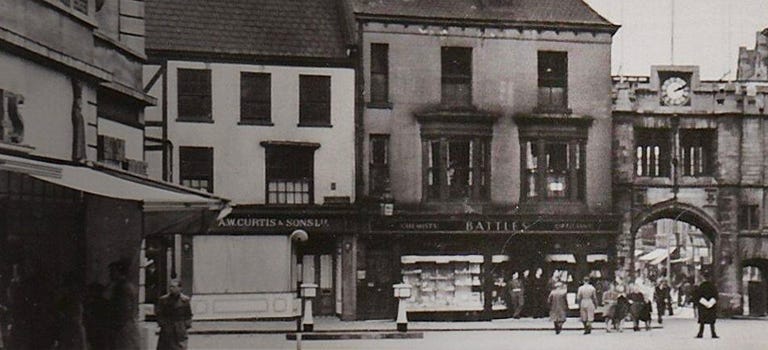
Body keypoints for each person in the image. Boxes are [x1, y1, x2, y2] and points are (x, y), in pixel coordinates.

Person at [106, 259, 140, 350]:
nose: (110, 275)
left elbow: (124, 309)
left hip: (122, 328)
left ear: (119, 272)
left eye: (112, 272)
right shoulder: (122, 286)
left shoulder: (122, 287)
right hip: (124, 327)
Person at [156, 279, 193, 350]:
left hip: (180, 329)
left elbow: (188, 314)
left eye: (174, 287)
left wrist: (186, 325)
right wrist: (162, 324)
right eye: (170, 287)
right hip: (167, 329)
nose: (171, 289)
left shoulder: (185, 300)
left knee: (180, 347)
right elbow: (159, 314)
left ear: (180, 288)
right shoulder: (163, 300)